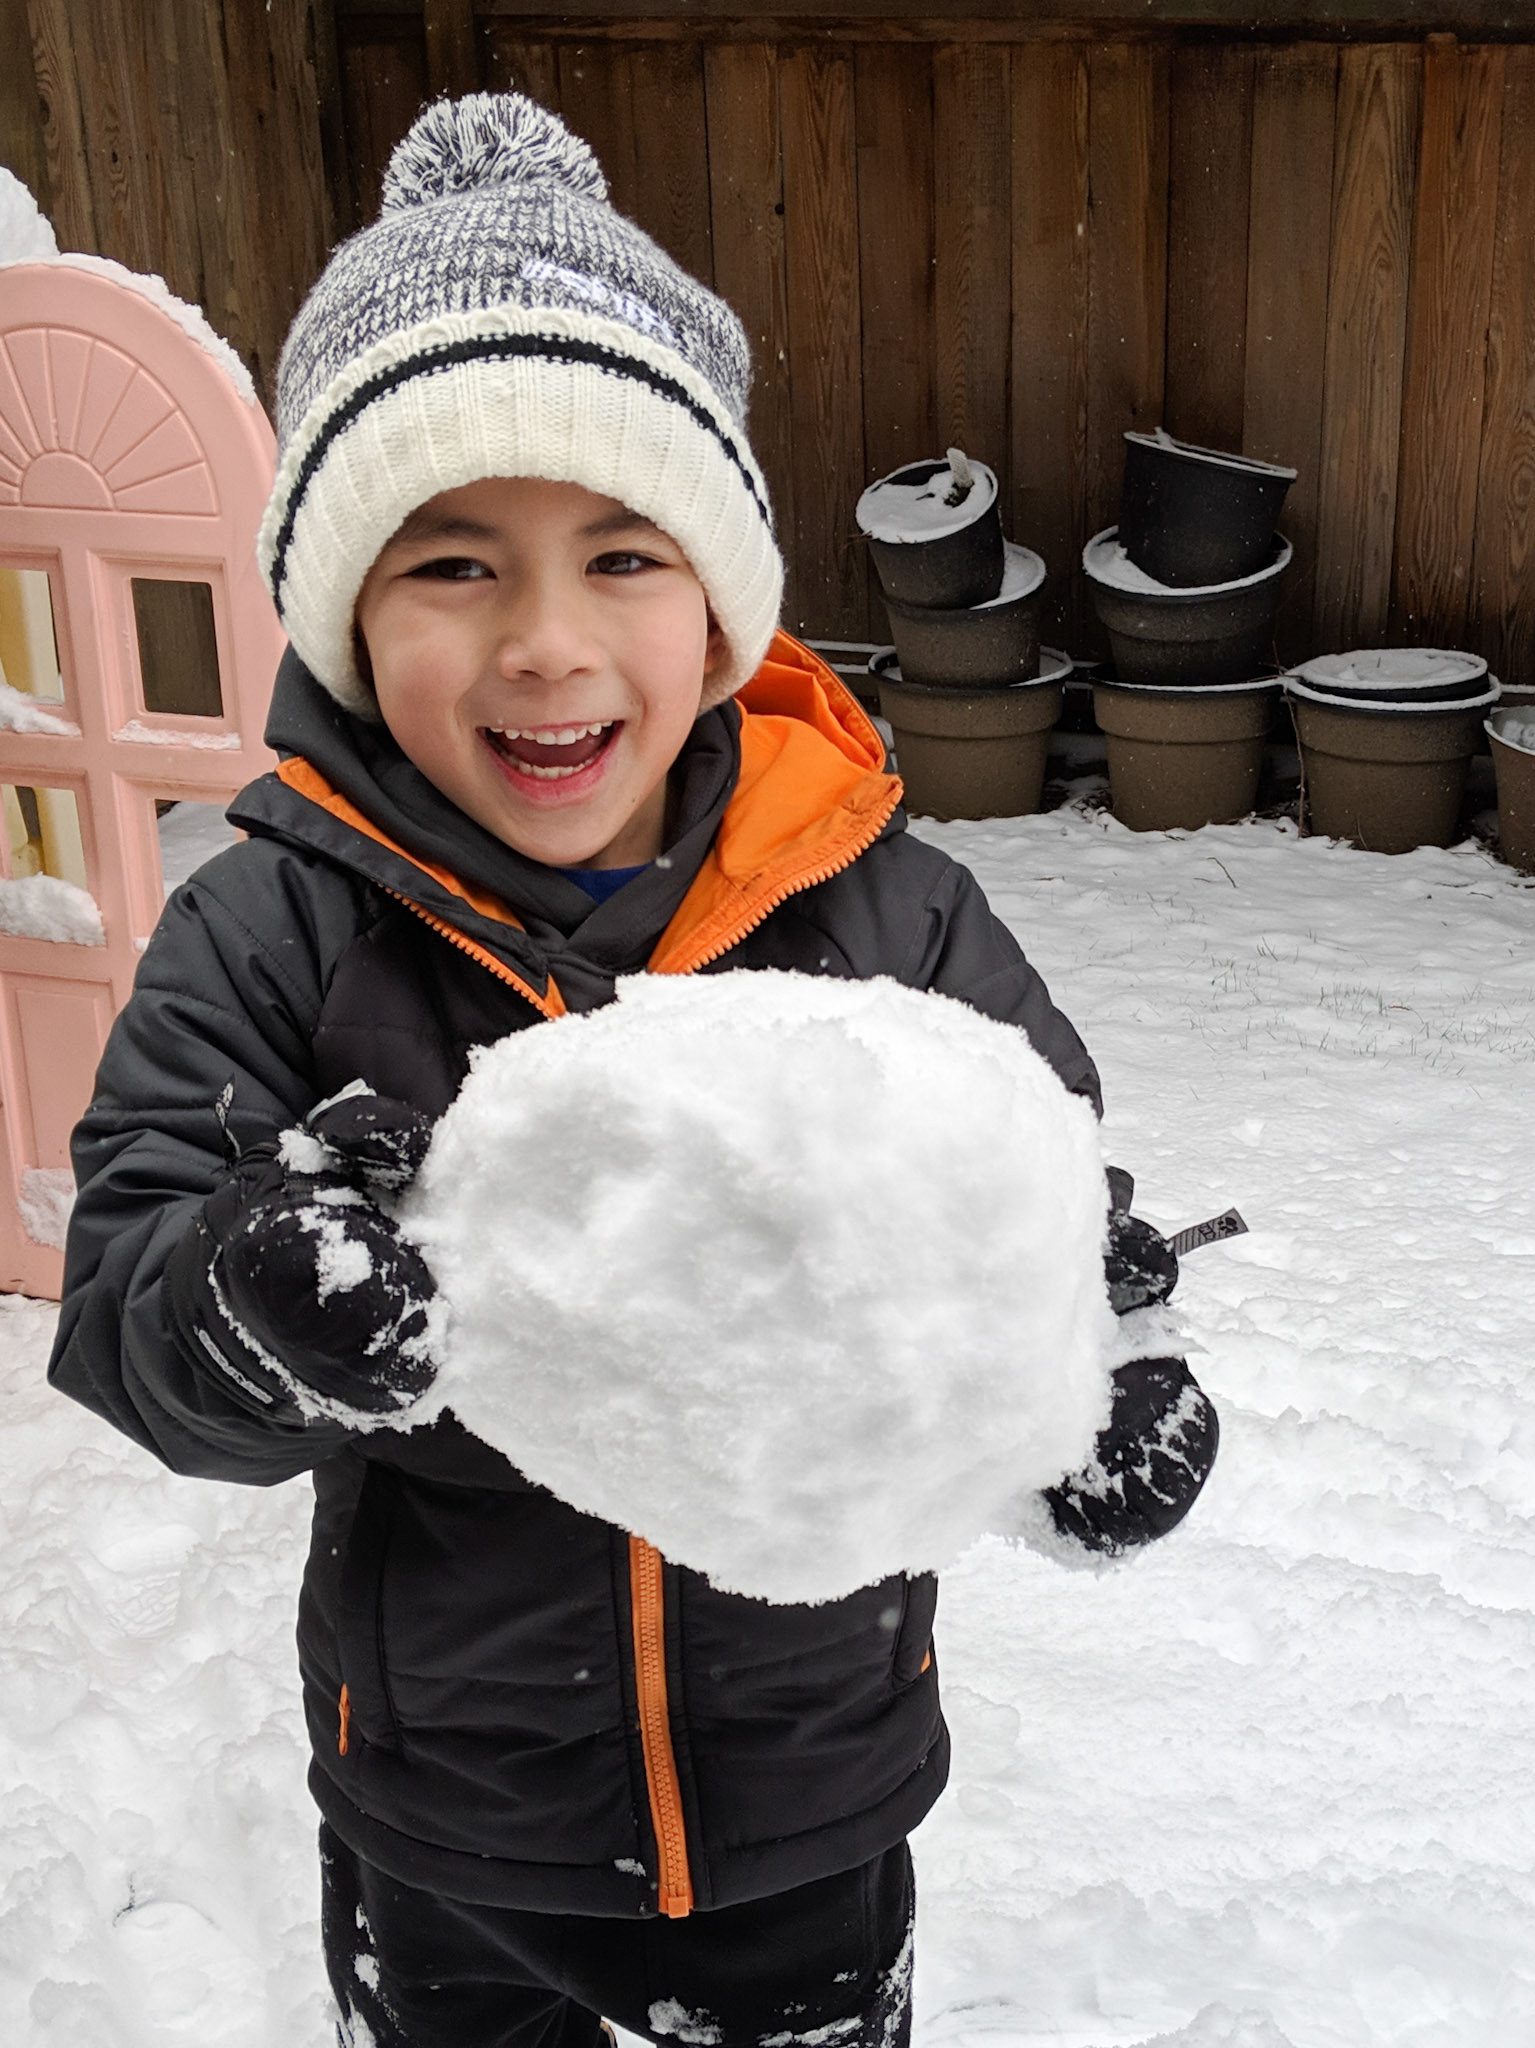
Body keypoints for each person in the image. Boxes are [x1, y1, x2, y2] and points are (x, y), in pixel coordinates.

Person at [49, 93, 1217, 2048]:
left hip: (808, 1802)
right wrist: (252, 1307)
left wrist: (1069, 1396)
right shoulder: (280, 939)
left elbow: (1041, 1209)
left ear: (718, 599)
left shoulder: (884, 913)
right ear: (341, 609)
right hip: (455, 1821)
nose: (546, 645)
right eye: (451, 567)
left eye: (620, 555)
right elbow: (126, 1318)